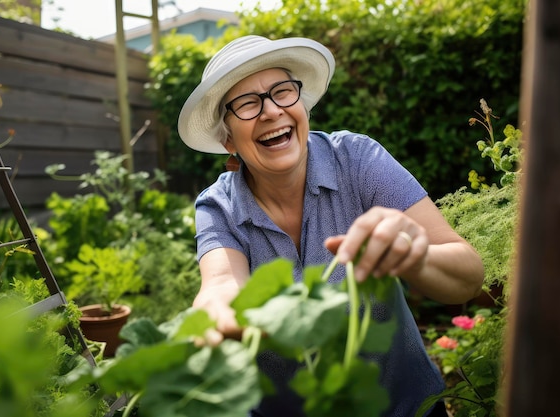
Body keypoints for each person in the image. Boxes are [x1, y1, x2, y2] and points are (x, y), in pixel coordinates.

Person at [177, 35, 484, 417]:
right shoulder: (218, 205)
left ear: (300, 104)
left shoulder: (358, 160)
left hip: (405, 409)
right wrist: (215, 314)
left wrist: (414, 256)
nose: (271, 111)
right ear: (228, 139)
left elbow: (469, 275)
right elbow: (221, 283)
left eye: (282, 92)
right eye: (247, 104)